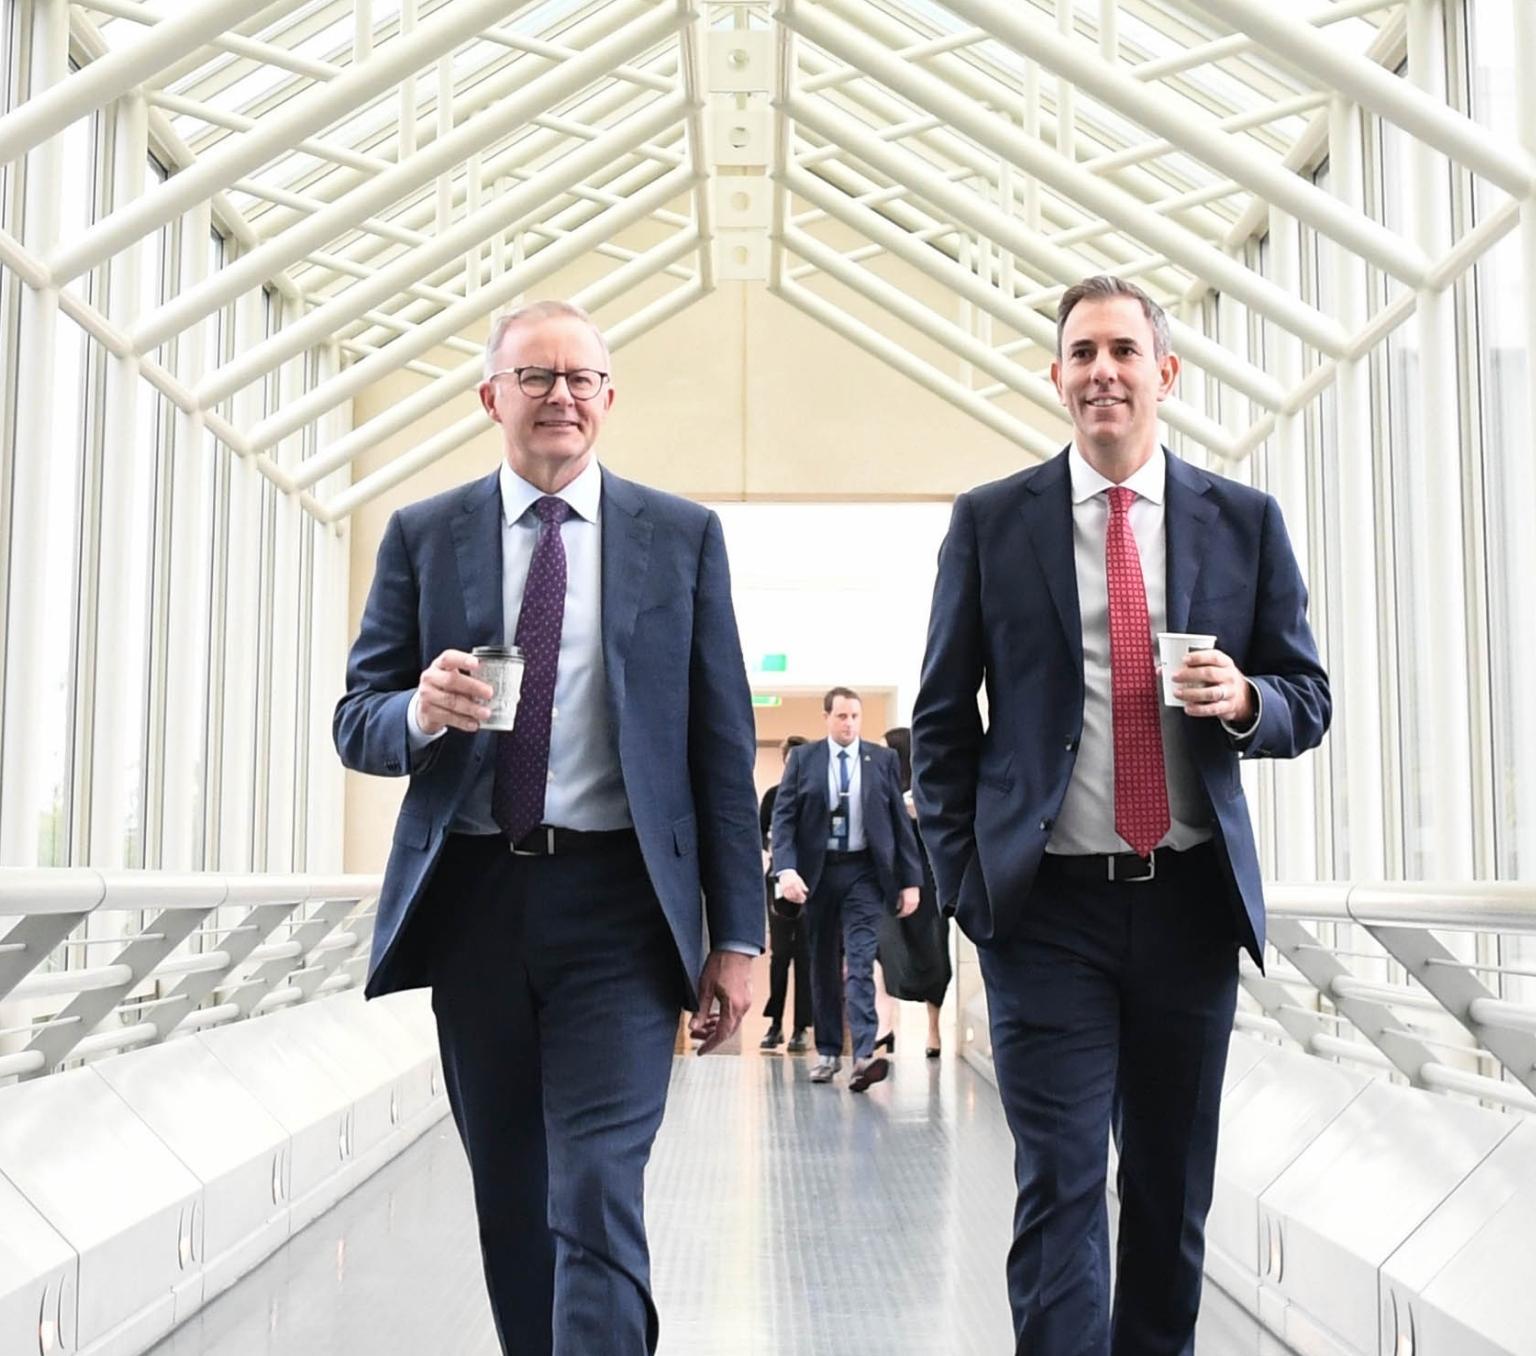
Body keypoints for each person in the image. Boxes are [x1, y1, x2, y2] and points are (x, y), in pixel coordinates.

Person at [333, 299, 763, 1356]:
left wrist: (740, 938)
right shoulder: (424, 537)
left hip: (619, 906)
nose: (561, 394)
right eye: (535, 377)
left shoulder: (682, 538)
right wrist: (421, 713)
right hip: (477, 900)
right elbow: (359, 721)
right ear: (492, 398)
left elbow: (720, 745)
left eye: (581, 377)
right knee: (515, 1195)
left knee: (598, 1185)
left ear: (609, 399)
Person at [911, 275, 1330, 1355]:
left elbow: (1308, 697)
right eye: (1083, 353)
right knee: (1057, 1183)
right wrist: (973, 888)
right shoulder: (992, 522)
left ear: (1165, 374)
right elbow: (942, 722)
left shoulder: (1243, 522)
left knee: (1166, 1190)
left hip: (1188, 903)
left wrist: (1245, 701)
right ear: (1057, 378)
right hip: (1045, 912)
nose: (1104, 371)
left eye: (1124, 352)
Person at [771, 686, 923, 1092]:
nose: (849, 724)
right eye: (841, 716)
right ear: (827, 717)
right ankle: (827, 1052)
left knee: (859, 960)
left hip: (864, 873)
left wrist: (911, 881)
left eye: (855, 717)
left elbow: (898, 824)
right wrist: (785, 870)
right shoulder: (805, 760)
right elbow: (784, 819)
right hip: (819, 874)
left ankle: (863, 1055)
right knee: (821, 962)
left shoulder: (882, 760)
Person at [876, 726, 951, 1058]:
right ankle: (884, 1028)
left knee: (933, 956)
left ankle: (933, 1029)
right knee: (884, 954)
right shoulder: (880, 789)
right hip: (889, 884)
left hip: (929, 884)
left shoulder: (927, 788)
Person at [759, 734, 813, 1053]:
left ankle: (801, 1027)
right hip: (778, 882)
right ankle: (775, 1022)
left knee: (805, 956)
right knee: (780, 956)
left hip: (810, 885)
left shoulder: (817, 796)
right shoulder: (773, 797)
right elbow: (761, 834)